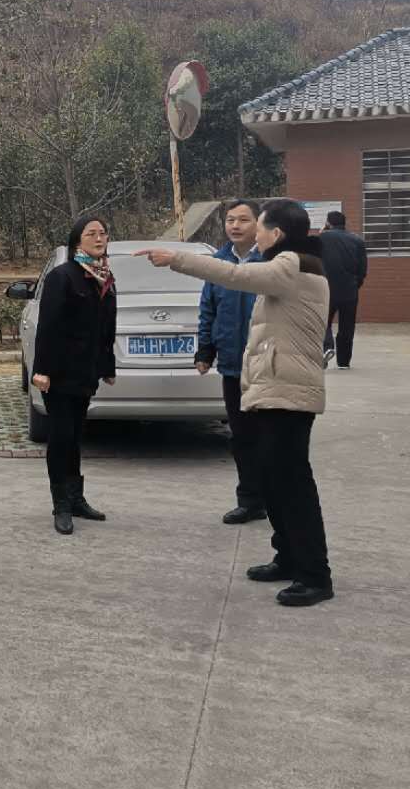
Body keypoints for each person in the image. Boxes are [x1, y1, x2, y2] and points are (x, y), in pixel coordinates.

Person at [136, 198, 335, 607]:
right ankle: (288, 557)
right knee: (274, 480)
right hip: (273, 389)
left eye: (258, 226)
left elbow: (233, 274)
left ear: (276, 233)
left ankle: (315, 576)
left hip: (289, 394)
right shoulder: (291, 267)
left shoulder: (293, 265)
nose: (254, 233)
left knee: (293, 484)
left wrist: (177, 259)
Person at [30, 215, 116, 534]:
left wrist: (107, 366)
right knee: (61, 437)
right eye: (91, 233)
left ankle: (76, 498)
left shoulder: (104, 277)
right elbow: (48, 327)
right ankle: (61, 504)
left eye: (102, 233)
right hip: (60, 373)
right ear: (77, 241)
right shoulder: (62, 277)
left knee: (76, 437)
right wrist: (41, 370)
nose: (99, 238)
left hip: (85, 372)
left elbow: (107, 326)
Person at [195, 199, 268, 525]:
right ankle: (250, 500)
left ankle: (276, 498)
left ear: (259, 224)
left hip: (267, 366)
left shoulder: (271, 262)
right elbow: (208, 309)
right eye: (230, 220)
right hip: (232, 365)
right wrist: (205, 350)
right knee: (241, 437)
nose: (235, 226)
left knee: (269, 437)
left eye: (243, 219)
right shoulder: (219, 262)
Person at [317, 210, 368, 370]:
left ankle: (327, 347)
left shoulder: (322, 238)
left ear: (328, 223)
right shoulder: (357, 240)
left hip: (326, 289)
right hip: (349, 290)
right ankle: (344, 362)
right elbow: (362, 269)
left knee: (323, 321)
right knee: (347, 326)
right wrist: (355, 284)